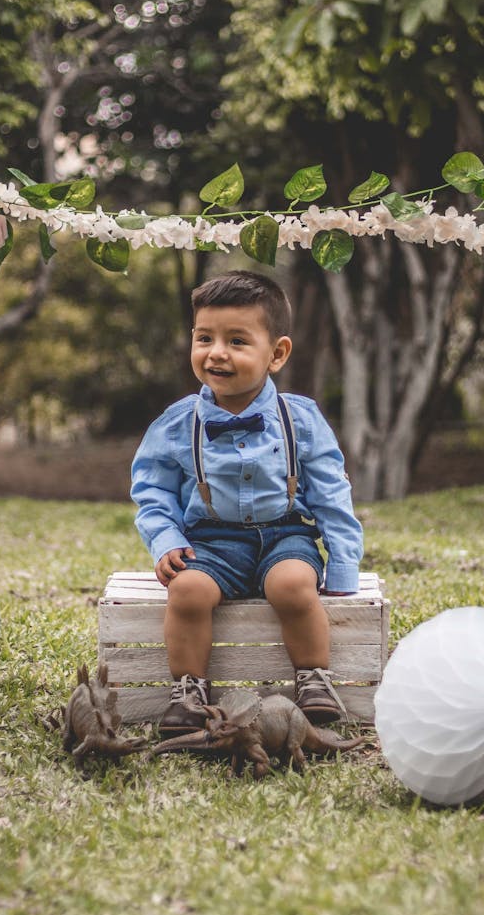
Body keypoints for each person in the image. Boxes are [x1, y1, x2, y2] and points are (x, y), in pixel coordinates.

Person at [130, 269, 364, 736]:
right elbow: (151, 489)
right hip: (211, 541)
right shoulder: (177, 423)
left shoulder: (300, 419)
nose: (216, 353)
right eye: (204, 338)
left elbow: (332, 494)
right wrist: (166, 540)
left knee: (293, 584)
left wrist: (342, 567)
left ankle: (314, 679)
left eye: (237, 341)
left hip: (285, 533)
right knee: (187, 592)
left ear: (276, 353)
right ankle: (190, 691)